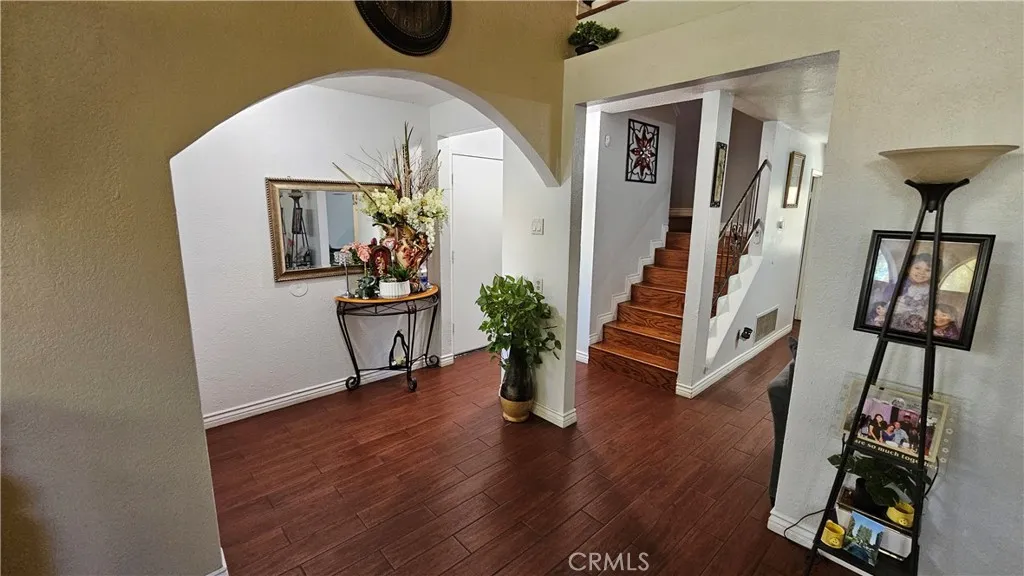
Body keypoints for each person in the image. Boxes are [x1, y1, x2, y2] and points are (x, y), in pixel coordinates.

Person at [892, 252, 933, 333]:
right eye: (917, 268)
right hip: (897, 316)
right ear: (908, 269)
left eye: (928, 270)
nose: (921, 272)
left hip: (917, 319)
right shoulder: (900, 284)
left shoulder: (930, 289)